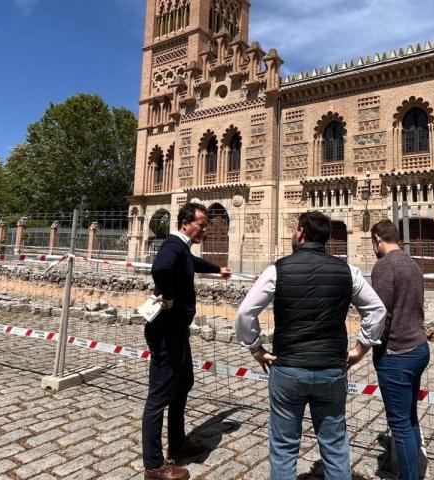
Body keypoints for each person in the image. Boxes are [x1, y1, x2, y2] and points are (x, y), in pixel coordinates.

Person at [235, 210, 386, 480]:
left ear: (302, 233)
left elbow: (245, 313)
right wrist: (360, 349)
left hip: (288, 369)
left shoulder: (277, 270)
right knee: (335, 445)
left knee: (284, 447)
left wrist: (256, 349)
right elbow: (377, 311)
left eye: (295, 229)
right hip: (331, 369)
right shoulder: (347, 271)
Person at [142, 202, 231, 480]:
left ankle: (178, 441)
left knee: (183, 384)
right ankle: (154, 465)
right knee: (159, 396)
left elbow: (191, 263)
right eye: (201, 225)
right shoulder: (172, 246)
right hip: (166, 331)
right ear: (185, 223)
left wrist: (217, 269)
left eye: (206, 226)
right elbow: (160, 269)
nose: (205, 230)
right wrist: (168, 296)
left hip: (177, 330)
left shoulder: (182, 249)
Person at [369, 219, 430, 480]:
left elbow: (380, 314)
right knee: (410, 417)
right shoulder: (412, 264)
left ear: (377, 240)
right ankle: (416, 470)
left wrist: (372, 347)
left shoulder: (384, 266)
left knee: (400, 426)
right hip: (419, 347)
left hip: (397, 353)